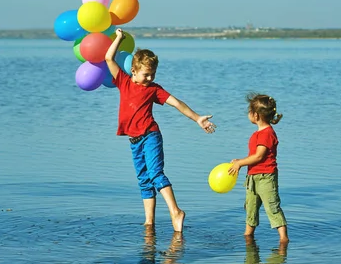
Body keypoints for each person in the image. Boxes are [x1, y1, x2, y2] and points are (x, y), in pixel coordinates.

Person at [105, 28, 216, 232]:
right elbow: (108, 58)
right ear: (134, 71)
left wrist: (197, 118)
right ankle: (149, 222)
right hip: (134, 140)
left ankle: (176, 211)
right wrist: (119, 38)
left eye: (152, 74)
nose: (149, 78)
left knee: (156, 174)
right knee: (143, 180)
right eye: (146, 74)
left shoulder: (154, 89)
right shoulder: (123, 82)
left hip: (150, 136)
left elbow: (177, 103)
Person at [228, 93, 289, 244]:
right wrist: (240, 161)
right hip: (253, 177)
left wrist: (241, 163)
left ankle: (283, 238)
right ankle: (248, 234)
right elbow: (254, 156)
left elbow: (259, 156)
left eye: (249, 111)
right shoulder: (258, 133)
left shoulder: (267, 134)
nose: (248, 114)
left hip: (266, 177)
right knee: (251, 207)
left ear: (255, 115)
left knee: (272, 207)